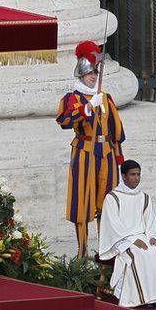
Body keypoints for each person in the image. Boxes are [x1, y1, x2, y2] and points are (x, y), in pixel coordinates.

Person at [57, 40, 126, 259]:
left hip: (106, 153)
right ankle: (83, 250)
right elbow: (65, 120)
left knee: (106, 203)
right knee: (82, 201)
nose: (94, 77)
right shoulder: (73, 98)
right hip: (84, 152)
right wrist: (87, 108)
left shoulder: (105, 98)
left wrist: (119, 156)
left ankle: (106, 250)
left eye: (96, 73)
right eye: (90, 74)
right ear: (81, 75)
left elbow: (116, 128)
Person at [97, 160, 156, 308]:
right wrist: (132, 240)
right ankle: (140, 299)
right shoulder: (112, 198)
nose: (136, 178)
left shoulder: (144, 197)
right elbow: (113, 225)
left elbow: (151, 221)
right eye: (132, 175)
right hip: (122, 240)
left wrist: (153, 237)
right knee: (139, 254)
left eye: (138, 175)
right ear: (124, 176)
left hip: (143, 237)